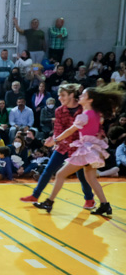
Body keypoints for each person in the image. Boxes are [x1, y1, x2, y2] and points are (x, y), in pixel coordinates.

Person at [34, 85, 121, 216]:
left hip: (86, 150)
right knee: (91, 178)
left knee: (60, 174)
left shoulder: (84, 115)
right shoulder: (95, 114)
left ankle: (49, 202)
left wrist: (55, 140)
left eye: (83, 95)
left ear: (90, 100)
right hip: (93, 149)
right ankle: (105, 205)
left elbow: (70, 131)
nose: (80, 96)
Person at [20, 84, 95, 208]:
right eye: (59, 95)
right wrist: (54, 140)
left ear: (72, 95)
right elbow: (58, 130)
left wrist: (56, 140)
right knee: (48, 169)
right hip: (63, 145)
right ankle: (35, 195)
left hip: (79, 147)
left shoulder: (83, 109)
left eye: (63, 95)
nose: (59, 98)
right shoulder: (59, 110)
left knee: (81, 175)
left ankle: (89, 199)